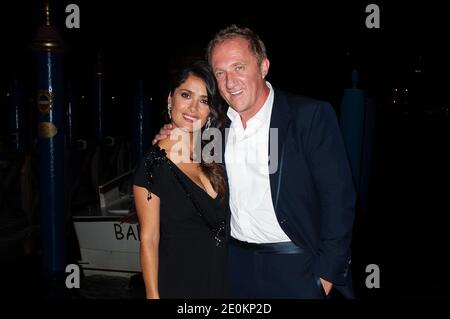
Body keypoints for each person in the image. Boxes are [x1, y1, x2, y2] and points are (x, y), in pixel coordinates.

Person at [154, 25, 356, 299]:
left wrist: (325, 277)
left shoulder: (308, 117)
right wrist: (172, 133)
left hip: (297, 266)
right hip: (234, 265)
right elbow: (188, 163)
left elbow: (339, 200)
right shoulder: (215, 129)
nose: (230, 81)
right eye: (220, 72)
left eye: (239, 67)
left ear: (263, 67)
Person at [133, 60, 229, 299]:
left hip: (222, 280)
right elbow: (149, 239)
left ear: (210, 111)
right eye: (186, 95)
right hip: (178, 282)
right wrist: (153, 295)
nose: (193, 108)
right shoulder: (152, 166)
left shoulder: (215, 154)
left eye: (204, 100)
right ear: (170, 99)